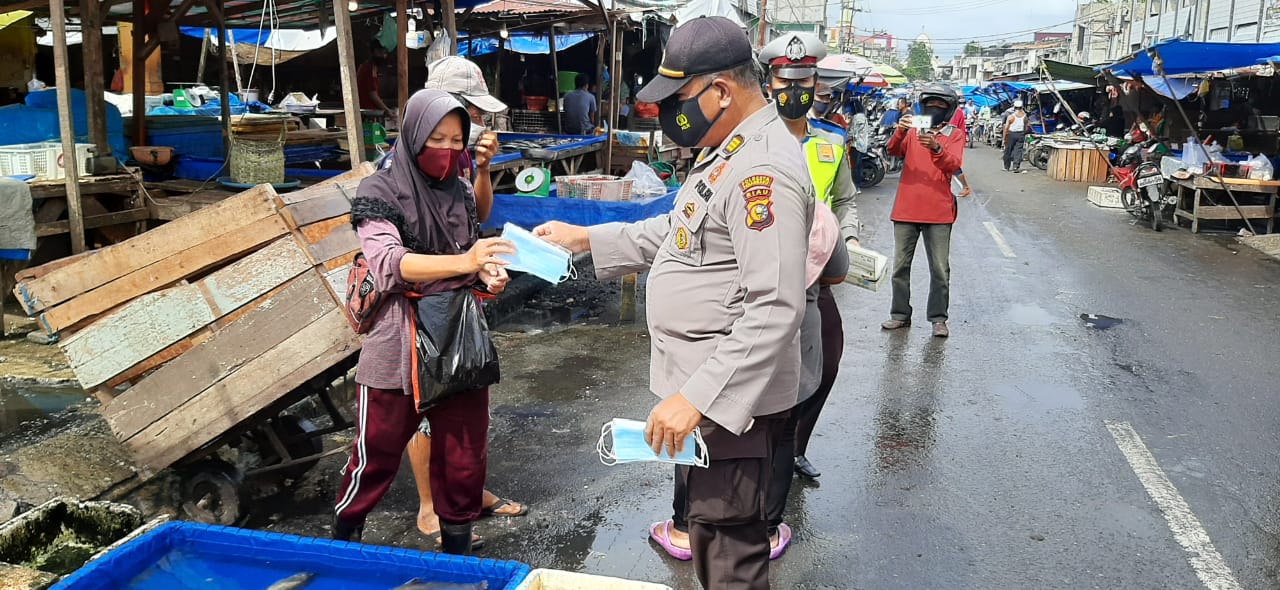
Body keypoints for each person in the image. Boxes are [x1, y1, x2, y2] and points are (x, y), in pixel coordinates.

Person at [534, 16, 811, 589]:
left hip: (730, 405)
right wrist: (586, 238)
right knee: (710, 540)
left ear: (720, 91)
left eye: (679, 98)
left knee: (730, 556)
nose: (671, 114)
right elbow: (678, 232)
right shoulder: (727, 152)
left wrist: (698, 399)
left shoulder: (762, 169)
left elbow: (775, 307)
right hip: (707, 397)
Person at [333, 89, 515, 556]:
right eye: (437, 139)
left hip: (459, 340)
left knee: (464, 458)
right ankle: (344, 542)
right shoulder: (380, 191)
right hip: (398, 339)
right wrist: (465, 263)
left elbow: (466, 253)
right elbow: (389, 264)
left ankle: (457, 551)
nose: (448, 151)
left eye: (457, 141)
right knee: (375, 453)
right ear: (413, 135)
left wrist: (485, 273)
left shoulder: (457, 189)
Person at [413, 57, 528, 546]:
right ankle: (426, 504)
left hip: (461, 300)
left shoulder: (458, 154)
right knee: (428, 402)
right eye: (469, 111)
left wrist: (482, 167)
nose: (476, 123)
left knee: (464, 399)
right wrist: (464, 266)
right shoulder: (409, 160)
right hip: (422, 304)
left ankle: (466, 490)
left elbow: (478, 211)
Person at [880, 83, 966, 339]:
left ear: (949, 109)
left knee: (940, 270)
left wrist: (936, 148)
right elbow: (893, 150)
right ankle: (899, 315)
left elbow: (954, 165)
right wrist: (899, 130)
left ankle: (938, 319)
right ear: (923, 106)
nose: (935, 109)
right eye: (931, 105)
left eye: (941, 105)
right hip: (906, 209)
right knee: (900, 267)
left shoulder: (955, 134)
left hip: (939, 211)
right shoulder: (913, 129)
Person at [357, 41, 396, 118]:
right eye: (381, 52)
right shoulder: (367, 69)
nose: (384, 56)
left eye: (385, 53)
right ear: (374, 52)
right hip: (367, 114)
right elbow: (373, 95)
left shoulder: (373, 68)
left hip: (372, 113)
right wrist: (387, 110)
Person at [1003, 98, 1028, 172]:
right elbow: (1026, 127)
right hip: (1021, 134)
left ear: (1014, 107)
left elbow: (1006, 128)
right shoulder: (1025, 116)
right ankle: (1016, 167)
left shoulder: (1011, 117)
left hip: (1011, 134)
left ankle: (1006, 167)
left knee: (1008, 150)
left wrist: (1004, 137)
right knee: (1018, 151)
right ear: (1022, 107)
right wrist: (1023, 133)